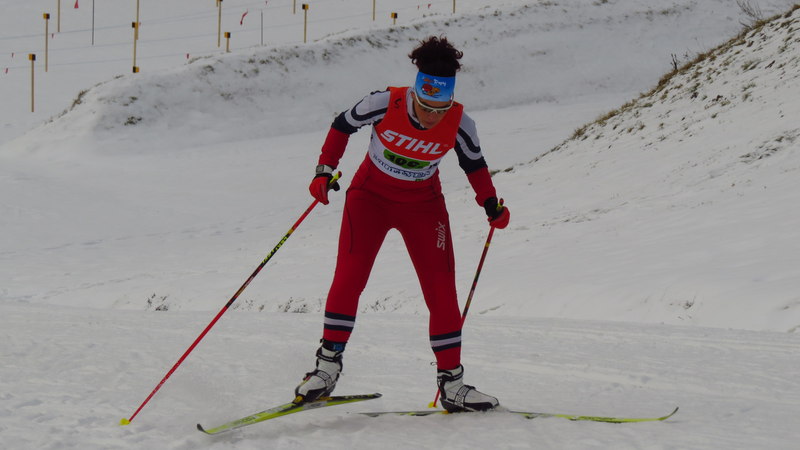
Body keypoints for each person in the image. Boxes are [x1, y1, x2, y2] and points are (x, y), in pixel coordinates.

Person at [295, 36, 510, 412]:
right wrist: (324, 170)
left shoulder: (461, 123)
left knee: (442, 291)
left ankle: (452, 385)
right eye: (425, 107)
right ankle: (326, 369)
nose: (432, 117)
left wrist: (490, 203)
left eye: (440, 109)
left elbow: (474, 164)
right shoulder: (384, 102)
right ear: (415, 94)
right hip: (369, 199)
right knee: (349, 278)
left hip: (423, 206)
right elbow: (342, 124)